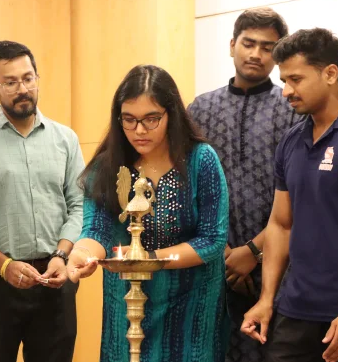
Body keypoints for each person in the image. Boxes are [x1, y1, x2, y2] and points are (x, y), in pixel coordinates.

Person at [241, 28, 338, 362]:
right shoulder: (291, 142)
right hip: (295, 312)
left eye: (295, 79)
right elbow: (281, 224)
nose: (286, 91)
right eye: (284, 80)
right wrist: (266, 299)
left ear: (330, 73)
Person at [67, 65, 230, 362]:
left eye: (151, 119)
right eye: (129, 120)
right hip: (127, 300)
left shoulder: (200, 160)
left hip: (191, 303)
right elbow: (97, 229)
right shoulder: (107, 165)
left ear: (172, 114)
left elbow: (213, 240)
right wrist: (82, 254)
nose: (139, 130)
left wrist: (150, 259)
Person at [0, 41, 85, 362]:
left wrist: (62, 255)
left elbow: (79, 205)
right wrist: (5, 265)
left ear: (37, 78)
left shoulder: (65, 140)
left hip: (55, 280)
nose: (23, 89)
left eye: (28, 78)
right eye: (10, 82)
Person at [188, 7, 302, 362]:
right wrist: (223, 253)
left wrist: (253, 253)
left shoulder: (292, 109)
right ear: (231, 45)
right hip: (211, 265)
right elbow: (187, 186)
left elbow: (302, 195)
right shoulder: (199, 110)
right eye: (248, 44)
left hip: (279, 267)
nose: (256, 54)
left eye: (268, 47)